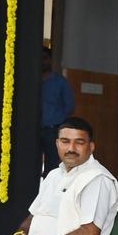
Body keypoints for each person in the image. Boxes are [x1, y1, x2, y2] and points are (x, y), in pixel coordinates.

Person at [40, 47, 75, 176]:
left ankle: (50, 194)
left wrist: (57, 122)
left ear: (50, 61)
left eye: (45, 59)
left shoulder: (60, 82)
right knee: (29, 165)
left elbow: (69, 106)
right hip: (32, 131)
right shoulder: (31, 81)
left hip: (52, 130)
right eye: (40, 59)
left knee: (51, 167)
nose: (42, 62)